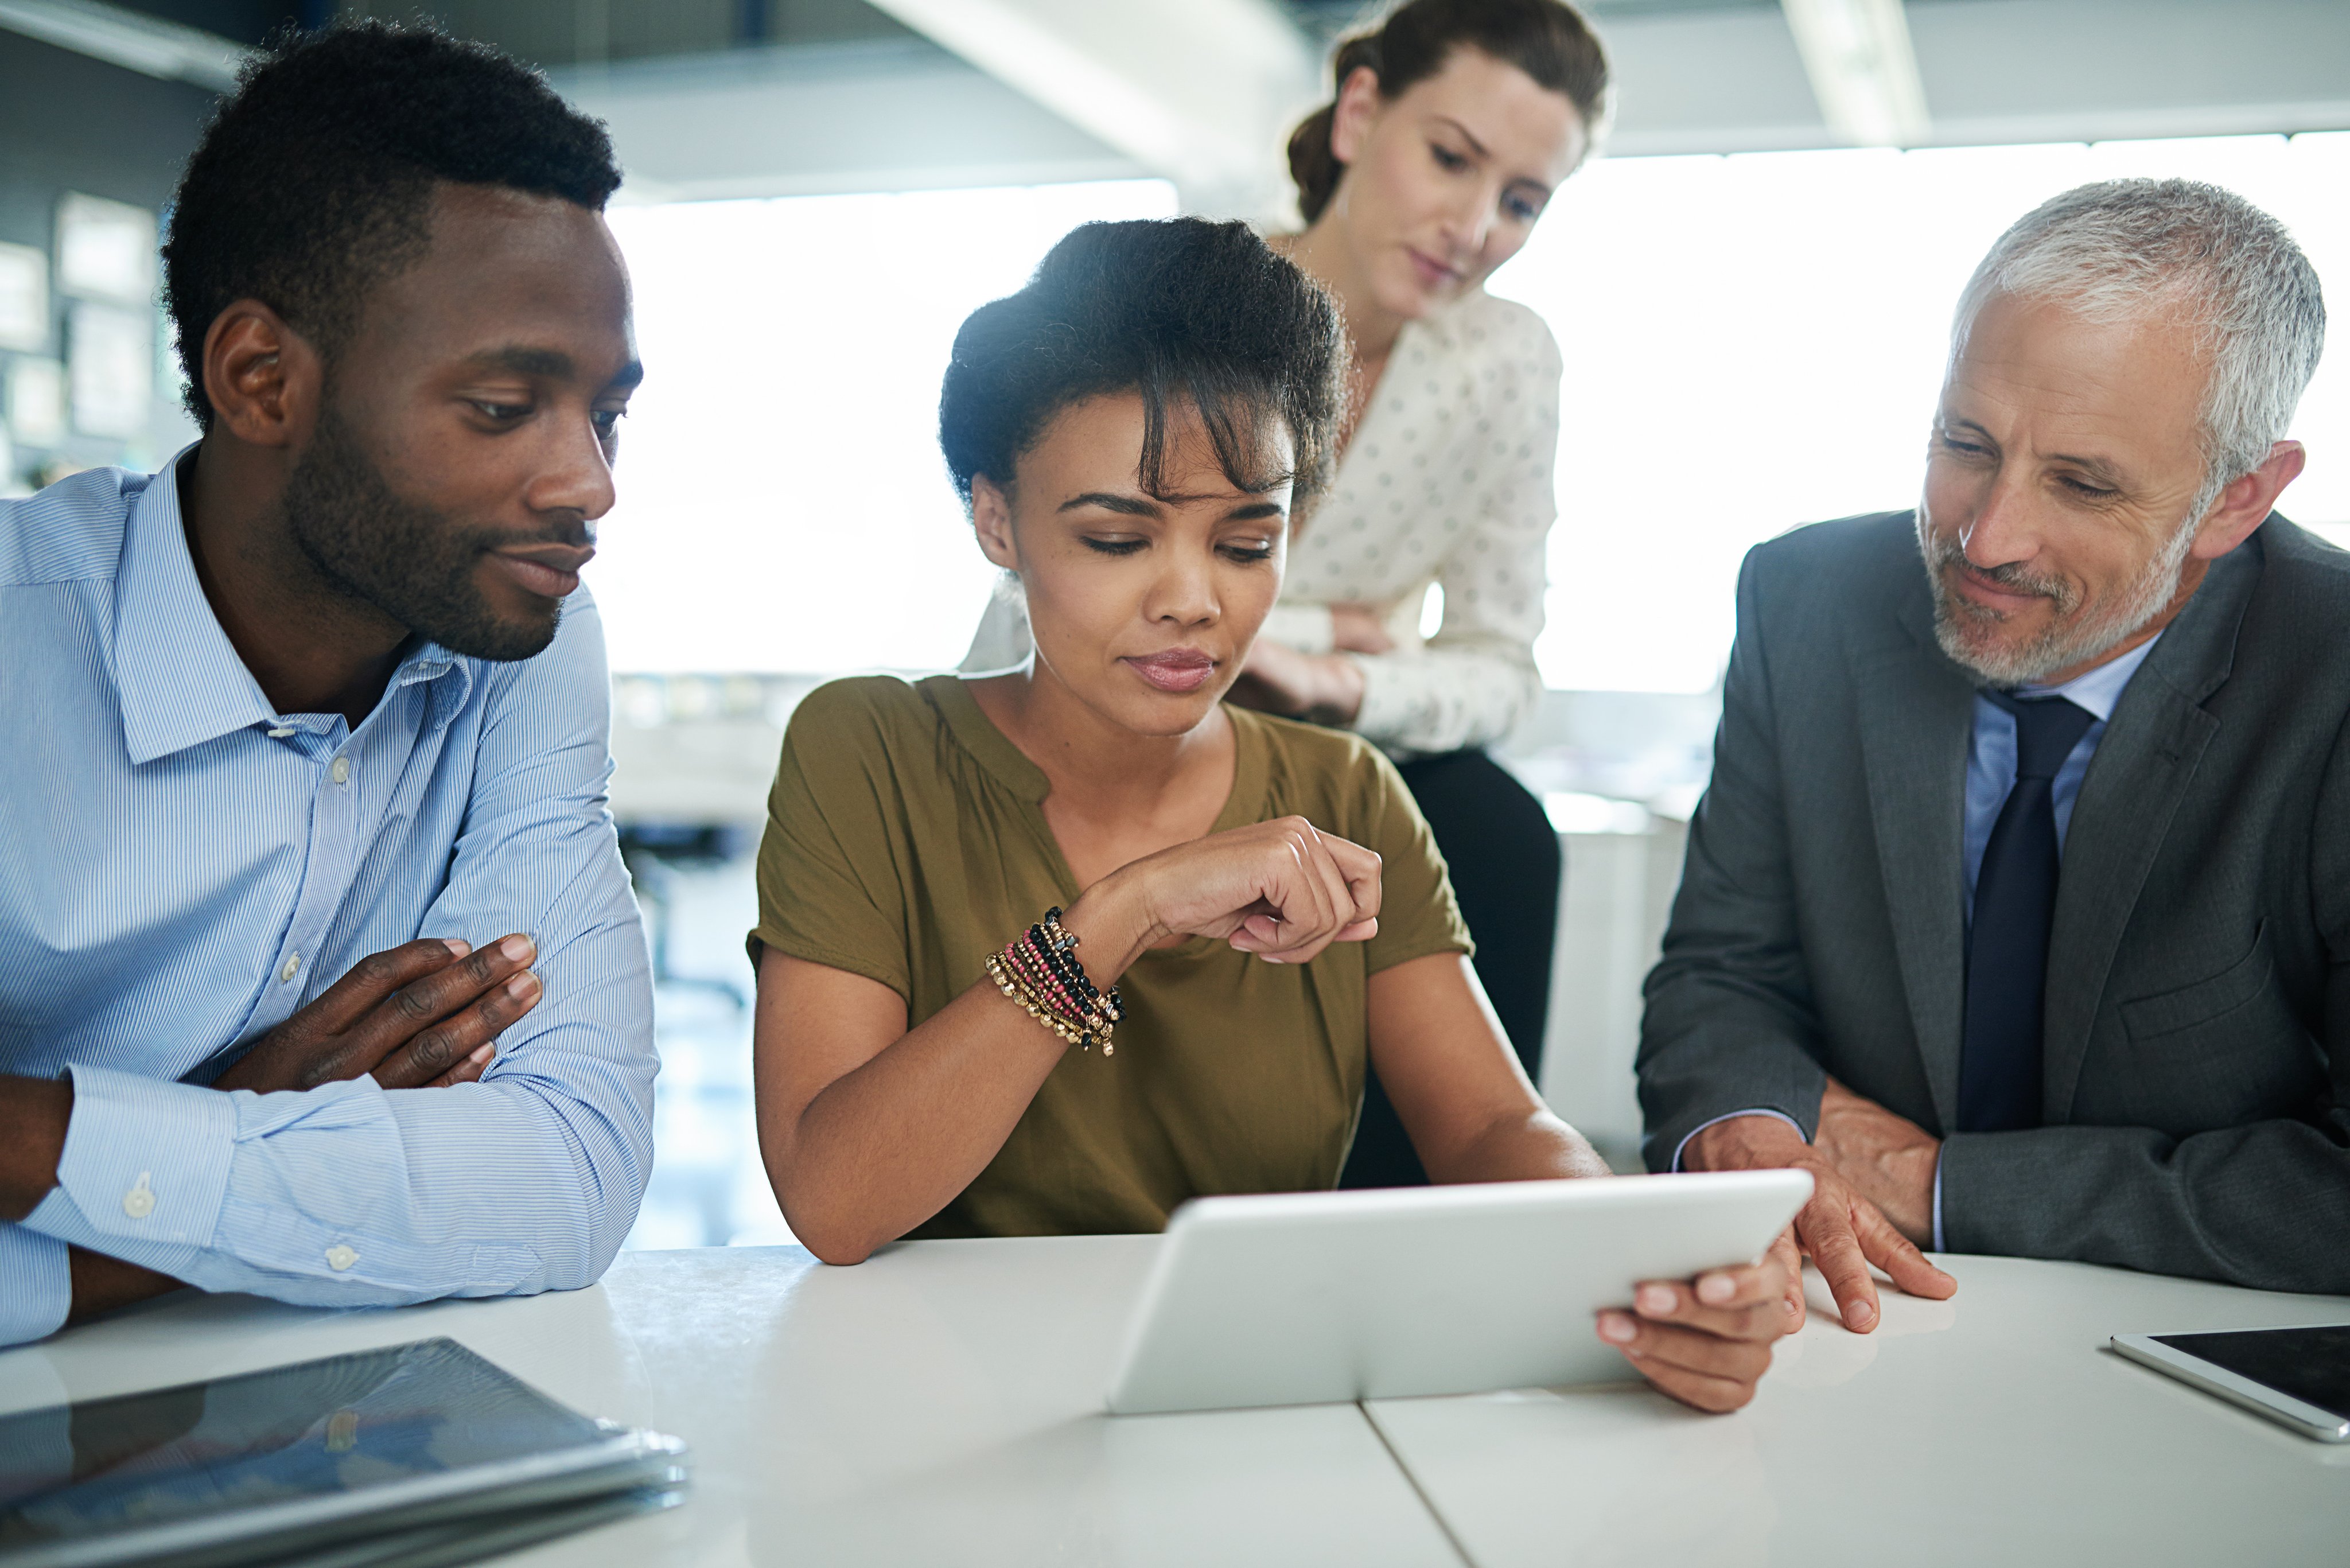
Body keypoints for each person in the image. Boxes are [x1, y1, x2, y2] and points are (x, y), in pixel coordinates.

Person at [753, 217, 1791, 1413]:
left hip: (1240, 1407)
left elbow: (1497, 1124)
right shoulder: (870, 752)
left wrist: (1646, 1266)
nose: (1193, 600)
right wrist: (1128, 910)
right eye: (1114, 537)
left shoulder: (1346, 794)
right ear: (997, 520)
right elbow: (833, 1200)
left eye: (1248, 539)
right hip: (924, 1406)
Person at [0, 22, 655, 1346]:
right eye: (501, 405)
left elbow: (566, 1178)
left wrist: (54, 1139)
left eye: (606, 412)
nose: (589, 483)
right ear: (261, 379)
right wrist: (266, 1158)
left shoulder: (518, 628)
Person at [1640, 177, 2344, 1333]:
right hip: (1842, 1316)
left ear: (2239, 498)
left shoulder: (2329, 676)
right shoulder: (1802, 597)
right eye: (1963, 442)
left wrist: (1932, 1182)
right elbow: (1721, 975)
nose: (1983, 536)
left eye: (2079, 482)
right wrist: (1759, 1141)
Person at [967, 0, 1612, 1188]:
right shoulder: (1193, 299)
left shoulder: (1505, 361)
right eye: (1450, 157)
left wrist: (1340, 675)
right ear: (1362, 112)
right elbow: (1049, 591)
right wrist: (1323, 618)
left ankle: (1411, 1229)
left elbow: (1500, 666)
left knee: (1498, 831)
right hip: (1104, 702)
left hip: (1327, 742)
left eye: (1520, 201)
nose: (1472, 226)